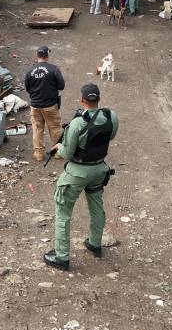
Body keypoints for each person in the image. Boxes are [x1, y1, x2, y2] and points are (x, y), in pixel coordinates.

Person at [43, 83, 119, 270]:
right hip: (99, 169)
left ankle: (62, 257)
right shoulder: (111, 116)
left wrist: (59, 147)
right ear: (98, 99)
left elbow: (67, 154)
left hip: (77, 173)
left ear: (82, 100)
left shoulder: (77, 123)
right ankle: (95, 243)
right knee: (96, 207)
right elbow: (110, 137)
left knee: (63, 213)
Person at [24, 46, 65, 162]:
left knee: (37, 129)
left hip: (35, 106)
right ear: (47, 56)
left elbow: (28, 88)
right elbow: (61, 86)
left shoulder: (29, 71)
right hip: (51, 106)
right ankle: (57, 153)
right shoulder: (54, 69)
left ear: (37, 56)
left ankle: (38, 154)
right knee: (55, 129)